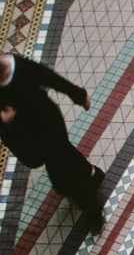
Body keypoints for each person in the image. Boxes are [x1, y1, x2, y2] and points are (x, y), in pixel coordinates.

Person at [0, 52, 105, 232]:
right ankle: (92, 173)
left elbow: (51, 78)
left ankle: (93, 211)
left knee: (62, 176)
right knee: (65, 161)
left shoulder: (20, 68)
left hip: (49, 126)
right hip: (30, 136)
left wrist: (79, 95)